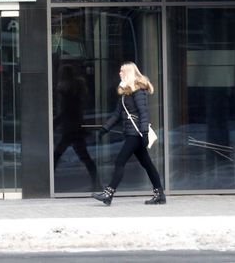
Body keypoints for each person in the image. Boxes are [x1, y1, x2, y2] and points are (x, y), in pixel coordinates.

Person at [91, 62, 165, 205]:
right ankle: (159, 194)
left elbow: (144, 113)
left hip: (136, 134)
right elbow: (117, 114)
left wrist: (144, 132)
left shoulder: (138, 91)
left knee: (120, 161)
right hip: (132, 133)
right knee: (147, 164)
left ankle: (108, 194)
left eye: (122, 71)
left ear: (129, 73)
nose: (119, 73)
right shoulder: (126, 93)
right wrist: (105, 128)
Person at [53, 64, 100, 191]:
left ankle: (47, 185)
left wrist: (55, 123)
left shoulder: (67, 91)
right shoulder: (75, 89)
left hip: (70, 129)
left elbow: (66, 110)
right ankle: (97, 182)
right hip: (75, 127)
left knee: (57, 155)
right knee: (84, 157)